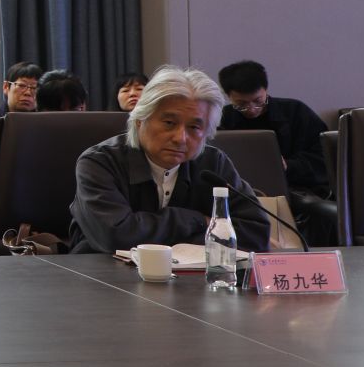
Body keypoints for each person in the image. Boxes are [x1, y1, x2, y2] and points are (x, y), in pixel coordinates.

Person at [68, 65, 271, 255]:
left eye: (194, 127)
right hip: (104, 274)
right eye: (169, 123)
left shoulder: (213, 164)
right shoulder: (100, 162)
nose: (180, 138)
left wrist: (153, 232)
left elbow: (256, 234)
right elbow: (116, 237)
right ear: (139, 121)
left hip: (193, 278)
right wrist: (198, 221)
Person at [217, 59, 337, 245]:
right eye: (241, 104)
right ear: (228, 96)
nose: (251, 109)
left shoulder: (296, 112)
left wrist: (289, 165)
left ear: (266, 90)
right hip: (238, 190)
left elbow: (324, 158)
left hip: (296, 189)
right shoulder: (223, 118)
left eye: (258, 101)